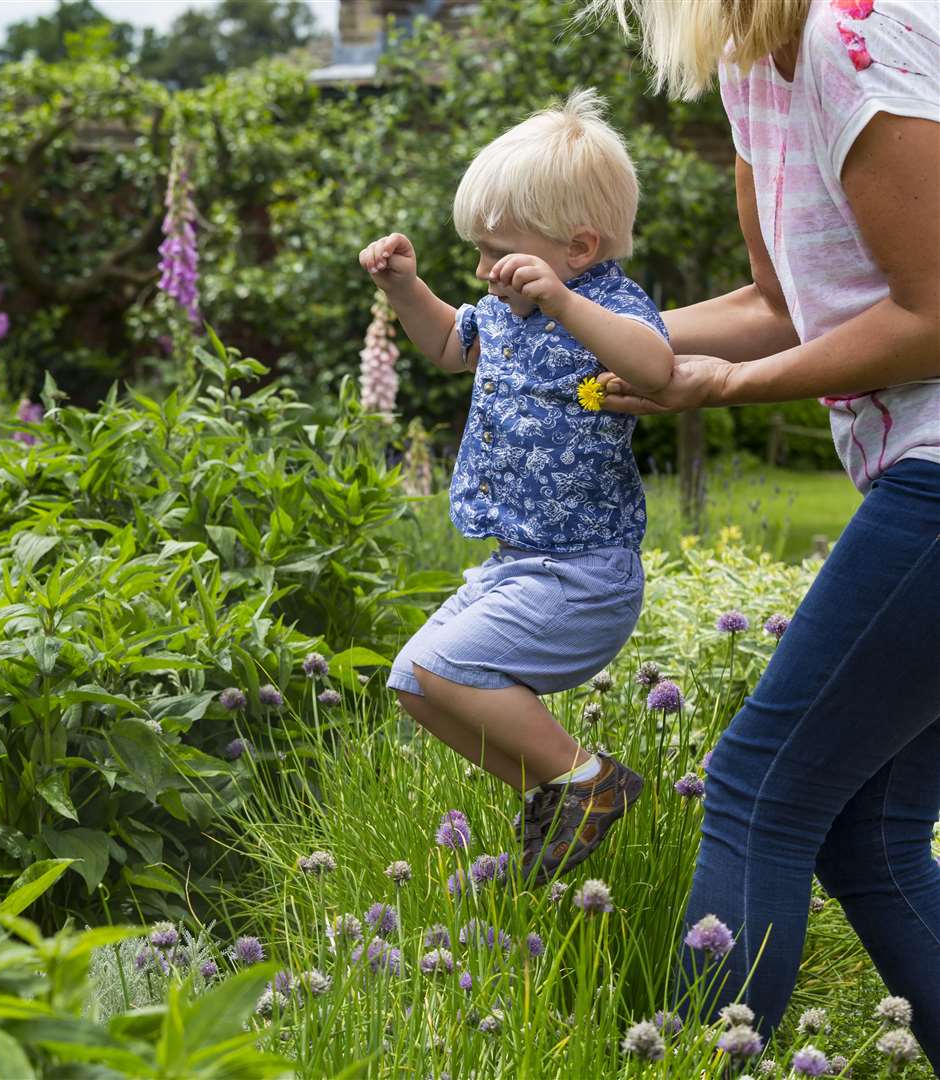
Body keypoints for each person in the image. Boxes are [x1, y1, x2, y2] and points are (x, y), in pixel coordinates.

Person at [594, 0, 940, 1054]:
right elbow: (786, 304)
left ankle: (692, 1066)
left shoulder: (855, 37)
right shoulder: (753, 63)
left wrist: (731, 386)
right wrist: (569, 323)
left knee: (757, 788)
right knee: (872, 837)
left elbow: (933, 311)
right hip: (916, 473)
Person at [357, 88, 669, 884]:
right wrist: (404, 288)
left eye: (497, 252)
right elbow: (446, 347)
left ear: (577, 247)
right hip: (516, 562)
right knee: (414, 682)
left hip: (583, 572)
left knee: (448, 667)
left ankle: (589, 781)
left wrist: (564, 303)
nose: (482, 271)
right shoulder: (500, 312)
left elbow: (657, 369)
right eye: (478, 252)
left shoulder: (607, 307)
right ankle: (559, 790)